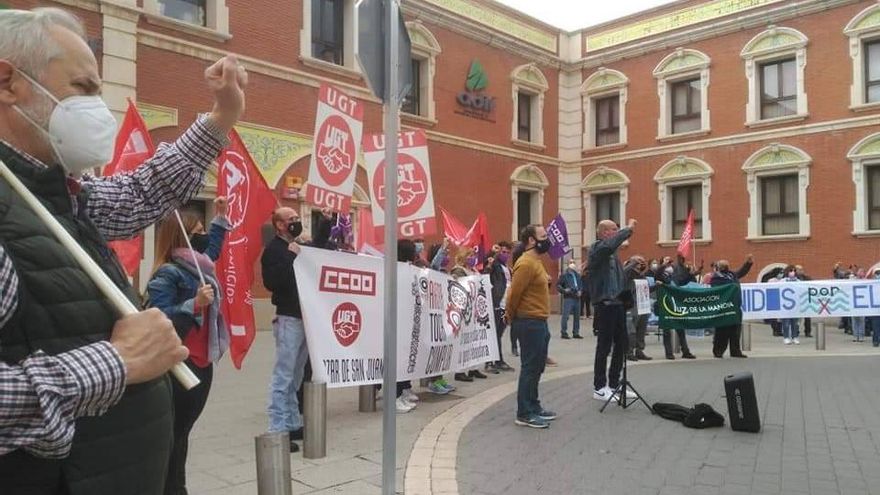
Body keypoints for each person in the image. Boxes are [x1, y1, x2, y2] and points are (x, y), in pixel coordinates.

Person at [0, 7, 245, 493]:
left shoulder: (57, 193)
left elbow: (140, 193)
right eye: (84, 88)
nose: (98, 107)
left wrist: (222, 117)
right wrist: (114, 362)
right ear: (9, 83)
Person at [146, 199, 230, 495]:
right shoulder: (169, 273)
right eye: (199, 230)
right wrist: (193, 304)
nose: (204, 235)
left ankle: (175, 486)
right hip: (181, 365)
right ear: (183, 237)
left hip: (203, 362)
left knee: (183, 432)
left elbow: (213, 249)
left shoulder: (199, 266)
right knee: (174, 433)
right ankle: (171, 488)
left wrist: (220, 219)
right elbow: (157, 317)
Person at [260, 207, 309, 453]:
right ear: (279, 225)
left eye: (297, 219)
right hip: (288, 318)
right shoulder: (274, 251)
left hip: (304, 317)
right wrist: (291, 257)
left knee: (297, 375)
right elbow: (272, 282)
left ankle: (292, 422)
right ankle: (277, 427)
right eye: (291, 220)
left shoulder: (298, 247)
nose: (296, 223)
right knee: (284, 375)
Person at [506, 224, 557, 429]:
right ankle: (524, 413)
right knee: (530, 367)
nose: (547, 239)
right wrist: (511, 317)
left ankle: (534, 406)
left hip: (539, 321)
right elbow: (514, 294)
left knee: (537, 366)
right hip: (529, 322)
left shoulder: (536, 262)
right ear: (531, 241)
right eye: (543, 236)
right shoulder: (526, 263)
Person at [589, 219, 639, 402]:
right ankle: (599, 387)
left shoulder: (613, 256)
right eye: (614, 230)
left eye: (617, 230)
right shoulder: (597, 249)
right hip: (605, 303)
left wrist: (632, 264)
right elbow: (608, 246)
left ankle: (614, 383)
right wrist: (628, 230)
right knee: (604, 345)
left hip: (617, 303)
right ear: (603, 233)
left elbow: (618, 278)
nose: (616, 233)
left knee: (622, 344)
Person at [709, 255, 753, 357]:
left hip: (735, 306)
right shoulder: (716, 277)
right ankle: (718, 351)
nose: (726, 267)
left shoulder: (732, 274)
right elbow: (716, 290)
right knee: (722, 331)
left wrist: (748, 263)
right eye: (724, 265)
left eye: (727, 265)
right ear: (720, 267)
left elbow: (741, 272)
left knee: (735, 330)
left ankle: (735, 351)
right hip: (724, 307)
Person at [487, 241, 515, 373]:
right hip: (497, 303)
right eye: (503, 252)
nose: (506, 255)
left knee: (498, 333)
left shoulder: (507, 267)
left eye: (508, 253)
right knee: (494, 333)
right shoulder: (495, 265)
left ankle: (496, 360)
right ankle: (493, 361)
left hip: (506, 305)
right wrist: (492, 252)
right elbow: (485, 268)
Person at [623, 255, 652, 361]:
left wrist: (656, 286)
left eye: (642, 262)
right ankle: (629, 351)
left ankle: (639, 350)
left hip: (643, 306)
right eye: (639, 262)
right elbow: (625, 272)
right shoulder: (628, 274)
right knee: (631, 330)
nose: (641, 264)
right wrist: (633, 263)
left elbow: (645, 289)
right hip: (632, 306)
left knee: (641, 330)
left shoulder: (642, 276)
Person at [557, 259, 583, 339]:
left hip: (577, 297)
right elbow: (558, 285)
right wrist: (564, 291)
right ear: (568, 264)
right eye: (571, 262)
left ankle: (576, 332)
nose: (572, 264)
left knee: (577, 316)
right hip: (569, 298)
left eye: (573, 262)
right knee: (566, 316)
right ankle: (564, 332)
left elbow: (581, 284)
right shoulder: (564, 275)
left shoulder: (577, 275)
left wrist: (580, 291)